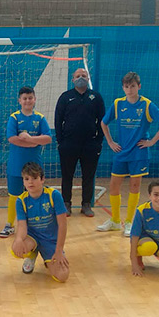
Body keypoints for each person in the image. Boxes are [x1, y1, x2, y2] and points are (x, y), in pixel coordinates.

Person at [97, 72, 159, 237]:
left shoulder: (146, 105)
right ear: (123, 87)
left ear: (139, 86)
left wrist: (151, 141)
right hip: (121, 152)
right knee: (114, 186)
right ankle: (115, 221)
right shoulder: (118, 104)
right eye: (126, 86)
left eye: (132, 86)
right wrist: (110, 141)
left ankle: (130, 222)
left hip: (139, 153)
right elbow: (103, 122)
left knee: (134, 186)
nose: (129, 89)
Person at [0, 86, 51, 238]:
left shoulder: (40, 118)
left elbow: (47, 138)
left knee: (35, 194)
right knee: (14, 195)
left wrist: (30, 139)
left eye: (30, 98)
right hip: (16, 165)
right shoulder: (14, 117)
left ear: (34, 99)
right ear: (19, 101)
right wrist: (33, 143)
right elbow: (12, 138)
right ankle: (10, 224)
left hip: (34, 165)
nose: (27, 101)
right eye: (24, 98)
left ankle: (36, 224)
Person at [54, 67, 106, 217]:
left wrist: (98, 140)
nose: (81, 77)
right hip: (69, 144)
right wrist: (60, 141)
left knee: (88, 176)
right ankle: (66, 204)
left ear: (88, 78)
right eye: (78, 76)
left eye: (84, 75)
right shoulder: (65, 97)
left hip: (90, 144)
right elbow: (58, 120)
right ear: (73, 79)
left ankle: (86, 204)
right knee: (67, 175)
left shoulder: (96, 97)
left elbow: (102, 120)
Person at [11, 161, 70, 282]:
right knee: (16, 249)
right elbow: (22, 226)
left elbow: (63, 224)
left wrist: (59, 250)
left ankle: (47, 259)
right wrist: (18, 239)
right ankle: (32, 254)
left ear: (42, 179)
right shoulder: (21, 200)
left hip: (50, 240)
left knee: (63, 276)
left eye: (34, 178)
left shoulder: (54, 195)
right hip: (33, 237)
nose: (30, 182)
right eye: (26, 179)